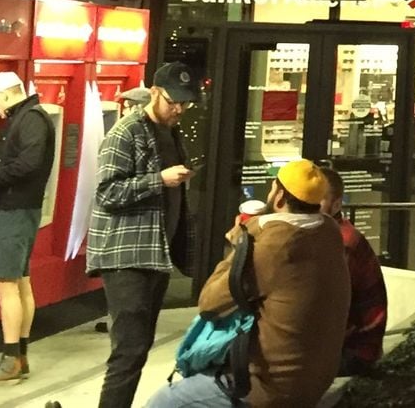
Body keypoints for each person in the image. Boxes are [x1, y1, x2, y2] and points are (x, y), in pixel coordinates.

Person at [142, 158, 349, 408]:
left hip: (269, 386)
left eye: (273, 187)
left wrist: (241, 245)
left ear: (279, 197)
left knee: (164, 401)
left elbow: (209, 303)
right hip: (315, 378)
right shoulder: (329, 232)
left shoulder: (275, 246)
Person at [89, 62, 202, 408]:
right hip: (126, 256)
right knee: (129, 349)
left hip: (155, 252)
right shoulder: (126, 132)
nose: (179, 109)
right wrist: (159, 180)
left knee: (139, 347)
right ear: (154, 92)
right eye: (173, 101)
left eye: (185, 103)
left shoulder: (171, 133)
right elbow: (107, 193)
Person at [0, 72, 57, 386]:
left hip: (17, 211)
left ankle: (9, 361)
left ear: (6, 95)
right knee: (21, 283)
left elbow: (27, 164)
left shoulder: (30, 119)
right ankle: (21, 356)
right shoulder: (32, 117)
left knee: (5, 285)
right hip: (22, 208)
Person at [316, 163, 387, 375]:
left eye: (318, 200)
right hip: (345, 345)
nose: (308, 205)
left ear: (336, 205)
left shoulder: (341, 243)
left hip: (353, 352)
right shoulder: (325, 235)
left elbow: (326, 309)